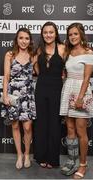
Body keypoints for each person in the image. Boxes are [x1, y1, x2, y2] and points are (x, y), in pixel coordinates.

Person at [60, 23, 93, 179]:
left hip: (81, 91)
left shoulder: (88, 52)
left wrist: (80, 97)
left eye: (75, 34)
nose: (72, 37)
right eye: (70, 35)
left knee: (81, 131)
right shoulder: (69, 52)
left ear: (81, 35)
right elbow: (67, 73)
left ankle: (82, 164)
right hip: (68, 89)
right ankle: (72, 161)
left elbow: (87, 77)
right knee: (70, 129)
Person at [1, 28, 36, 169]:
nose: (24, 41)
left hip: (28, 94)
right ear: (17, 39)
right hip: (13, 94)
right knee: (15, 125)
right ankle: (19, 155)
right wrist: (5, 95)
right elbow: (6, 77)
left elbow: (39, 72)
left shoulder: (33, 55)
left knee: (27, 127)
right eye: (21, 38)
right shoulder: (10, 55)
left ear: (30, 40)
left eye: (27, 38)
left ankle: (27, 154)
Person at [33, 21, 65, 168]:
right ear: (42, 34)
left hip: (57, 89)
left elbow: (67, 69)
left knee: (54, 124)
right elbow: (37, 70)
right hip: (41, 89)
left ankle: (52, 159)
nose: (48, 35)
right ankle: (41, 157)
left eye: (51, 32)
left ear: (56, 33)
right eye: (45, 32)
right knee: (41, 124)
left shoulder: (63, 48)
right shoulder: (39, 49)